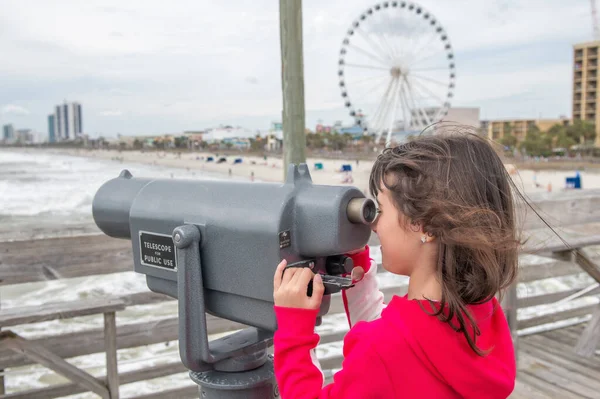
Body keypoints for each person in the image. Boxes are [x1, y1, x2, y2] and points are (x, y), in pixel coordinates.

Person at [273, 130, 520, 398]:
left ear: (423, 224)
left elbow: (386, 356)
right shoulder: (485, 316)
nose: (374, 225)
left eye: (380, 209)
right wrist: (359, 279)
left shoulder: (383, 350)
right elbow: (400, 353)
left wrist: (294, 331)